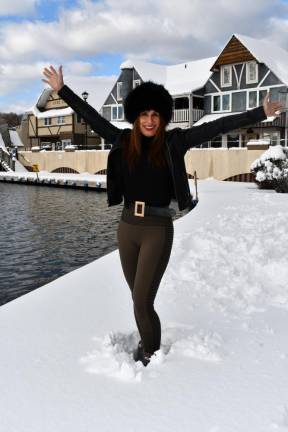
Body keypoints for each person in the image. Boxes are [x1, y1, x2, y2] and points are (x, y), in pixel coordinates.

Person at [42, 65, 283, 366]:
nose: (150, 120)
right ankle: (148, 340)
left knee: (142, 301)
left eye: (155, 115)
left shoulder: (174, 143)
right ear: (136, 117)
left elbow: (216, 127)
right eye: (144, 114)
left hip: (157, 229)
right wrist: (62, 90)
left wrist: (258, 113)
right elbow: (91, 117)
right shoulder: (121, 141)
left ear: (163, 118)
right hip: (127, 228)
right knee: (138, 300)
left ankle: (149, 355)